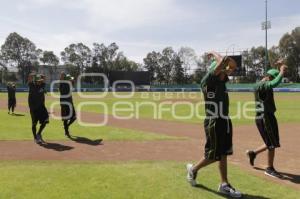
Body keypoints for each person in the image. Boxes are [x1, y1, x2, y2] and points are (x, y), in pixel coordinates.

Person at [186, 51, 242, 198]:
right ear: (215, 71)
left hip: (224, 119)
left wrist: (225, 62)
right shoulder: (208, 80)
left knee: (223, 153)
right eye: (222, 70)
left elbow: (233, 65)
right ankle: (193, 169)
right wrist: (213, 52)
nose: (226, 73)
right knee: (214, 155)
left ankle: (224, 184)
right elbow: (223, 61)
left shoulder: (220, 79)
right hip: (214, 120)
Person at [246, 60, 288, 179]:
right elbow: (274, 82)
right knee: (271, 144)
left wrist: (279, 67)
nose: (275, 80)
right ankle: (269, 168)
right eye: (273, 78)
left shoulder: (263, 84)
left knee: (272, 141)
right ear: (269, 77)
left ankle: (253, 153)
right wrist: (281, 71)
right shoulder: (262, 85)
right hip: (265, 118)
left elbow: (274, 82)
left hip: (268, 117)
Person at [28, 73, 49, 144]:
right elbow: (30, 78)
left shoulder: (42, 85)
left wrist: (41, 75)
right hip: (33, 108)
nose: (40, 82)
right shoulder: (32, 86)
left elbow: (44, 78)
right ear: (36, 81)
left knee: (45, 121)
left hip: (41, 107)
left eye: (41, 80)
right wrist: (32, 75)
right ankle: (35, 138)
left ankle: (39, 133)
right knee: (34, 124)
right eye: (39, 81)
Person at [59, 72, 76, 137]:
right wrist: (63, 75)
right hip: (64, 103)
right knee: (65, 118)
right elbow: (61, 78)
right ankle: (66, 132)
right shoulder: (62, 84)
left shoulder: (70, 84)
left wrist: (71, 79)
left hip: (70, 102)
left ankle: (66, 127)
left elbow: (73, 80)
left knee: (74, 117)